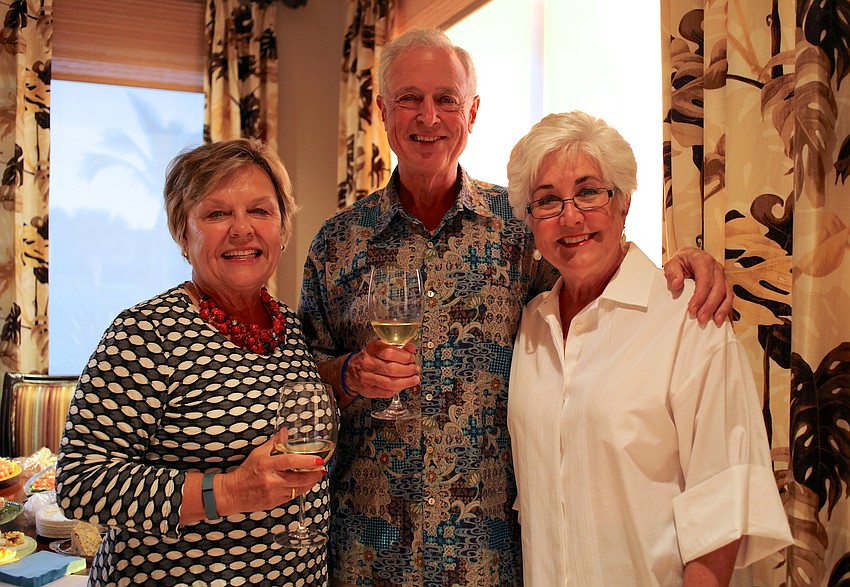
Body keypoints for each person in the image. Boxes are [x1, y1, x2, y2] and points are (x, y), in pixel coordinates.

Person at [298, 28, 733, 587]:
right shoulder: (337, 244)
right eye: (409, 98)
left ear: (471, 112)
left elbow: (600, 269)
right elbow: (300, 377)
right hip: (369, 550)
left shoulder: (524, 225)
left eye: (446, 100)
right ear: (383, 110)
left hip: (495, 558)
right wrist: (349, 372)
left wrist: (687, 262)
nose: (428, 116)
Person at [506, 111, 793, 586]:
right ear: (530, 222)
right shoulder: (530, 326)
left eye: (589, 191)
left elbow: (720, 503)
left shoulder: (688, 317)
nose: (570, 215)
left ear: (624, 202)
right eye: (547, 201)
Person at [56, 139, 331, 586]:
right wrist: (227, 491)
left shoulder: (295, 330)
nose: (242, 230)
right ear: (183, 233)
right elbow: (80, 483)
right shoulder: (147, 333)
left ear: (282, 228)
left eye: (260, 211)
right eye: (217, 213)